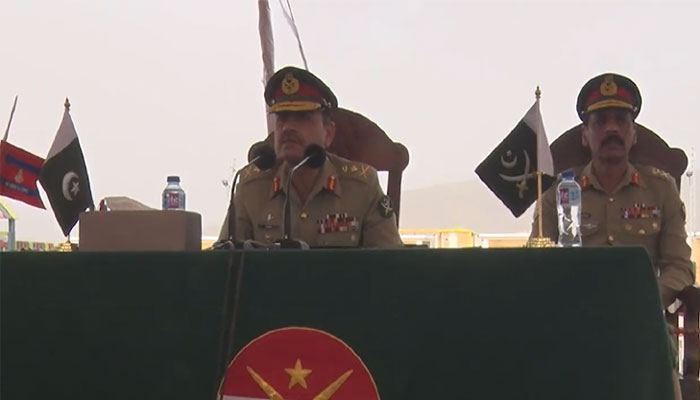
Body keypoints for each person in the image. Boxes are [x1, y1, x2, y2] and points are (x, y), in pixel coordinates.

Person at [530, 72, 694, 400]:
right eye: (600, 122)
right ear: (585, 136)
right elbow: (536, 262)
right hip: (576, 323)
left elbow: (680, 267)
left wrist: (644, 299)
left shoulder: (661, 190)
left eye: (620, 120)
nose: (612, 129)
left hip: (641, 322)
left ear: (633, 135)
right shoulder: (558, 193)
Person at [218, 66, 403, 248]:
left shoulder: (362, 187)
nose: (288, 127)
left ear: (328, 133)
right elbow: (223, 263)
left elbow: (391, 265)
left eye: (301, 118)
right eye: (282, 118)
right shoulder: (251, 187)